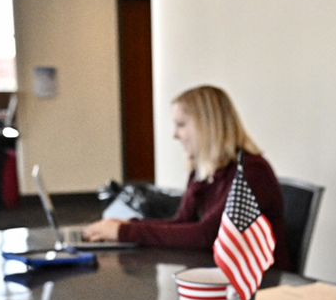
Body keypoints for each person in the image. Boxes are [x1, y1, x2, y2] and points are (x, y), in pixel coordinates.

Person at [82, 85, 294, 271]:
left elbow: (207, 235)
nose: (175, 134)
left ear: (207, 126)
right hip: (223, 278)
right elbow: (182, 222)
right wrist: (129, 224)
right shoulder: (203, 170)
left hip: (263, 287)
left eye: (181, 125)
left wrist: (126, 231)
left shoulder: (252, 172)